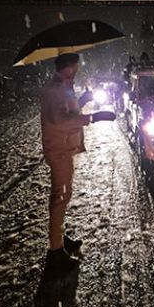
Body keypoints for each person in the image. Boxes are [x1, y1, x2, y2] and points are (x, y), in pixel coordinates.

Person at [40, 52, 116, 275]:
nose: (78, 69)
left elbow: (67, 111)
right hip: (59, 148)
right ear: (70, 67)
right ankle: (55, 252)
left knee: (63, 195)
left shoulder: (62, 85)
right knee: (60, 196)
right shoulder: (56, 88)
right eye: (77, 65)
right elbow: (61, 120)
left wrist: (83, 100)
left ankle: (59, 238)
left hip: (63, 147)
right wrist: (93, 117)